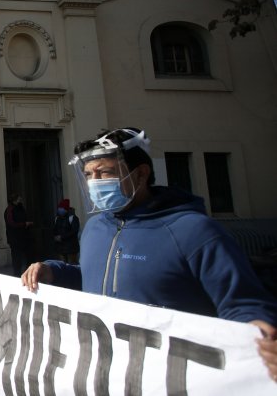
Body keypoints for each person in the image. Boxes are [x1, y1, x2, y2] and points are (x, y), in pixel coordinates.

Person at [21, 127, 277, 382]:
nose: (95, 183)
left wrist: (260, 331)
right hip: (111, 375)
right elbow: (97, 277)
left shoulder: (195, 231)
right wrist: (54, 271)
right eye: (89, 174)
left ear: (141, 173)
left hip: (173, 380)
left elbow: (243, 303)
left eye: (105, 172)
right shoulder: (96, 228)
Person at [4, 192, 33, 276]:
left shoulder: (20, 208)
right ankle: (17, 274)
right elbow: (11, 223)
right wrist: (24, 224)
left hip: (23, 236)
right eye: (19, 199)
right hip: (15, 237)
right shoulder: (10, 209)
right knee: (17, 257)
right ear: (15, 200)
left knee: (27, 255)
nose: (21, 200)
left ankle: (27, 272)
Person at [51, 198, 80, 263]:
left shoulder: (73, 218)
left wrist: (62, 237)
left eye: (62, 208)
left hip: (71, 248)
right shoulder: (57, 218)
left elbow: (74, 231)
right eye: (59, 208)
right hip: (60, 248)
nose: (60, 209)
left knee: (72, 266)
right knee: (63, 267)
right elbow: (54, 230)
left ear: (66, 209)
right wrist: (55, 237)